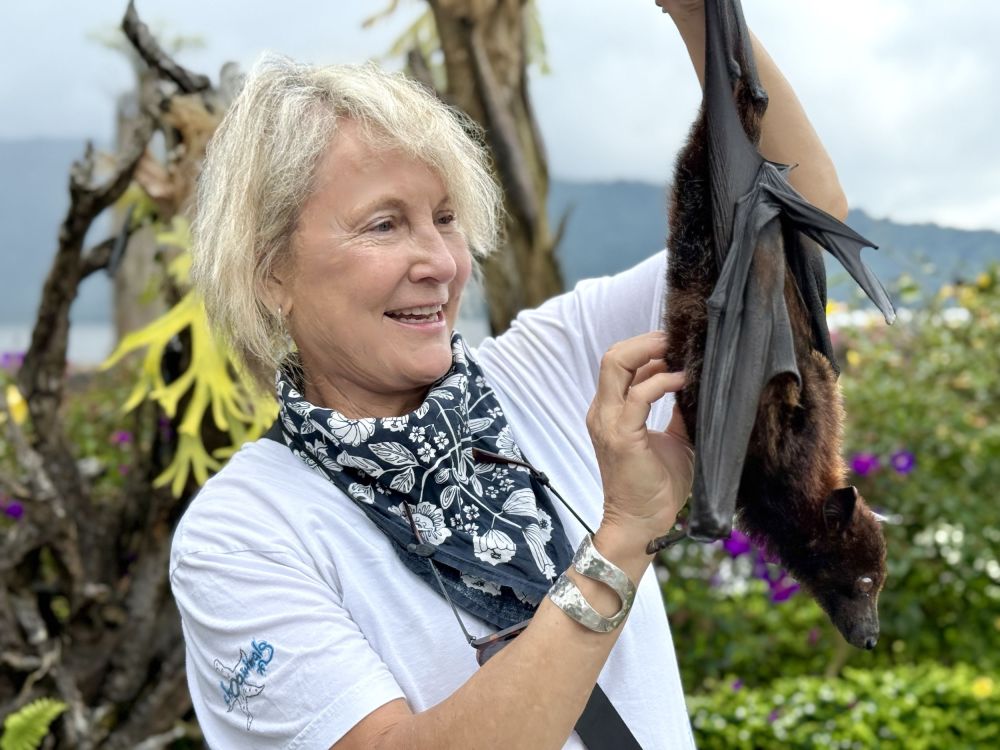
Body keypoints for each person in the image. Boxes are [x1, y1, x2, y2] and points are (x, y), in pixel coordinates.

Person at [169, 1, 850, 747]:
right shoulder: (243, 533)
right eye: (384, 224)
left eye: (446, 218)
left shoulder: (556, 364)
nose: (440, 263)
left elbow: (798, 224)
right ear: (270, 272)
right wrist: (622, 537)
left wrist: (701, 13)